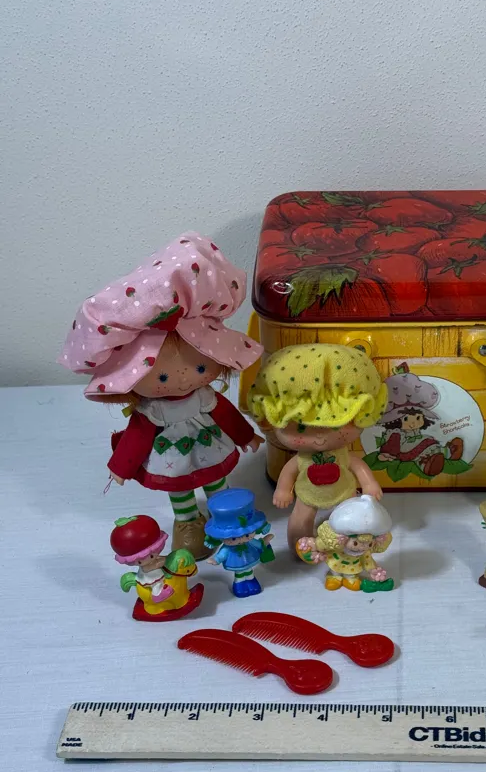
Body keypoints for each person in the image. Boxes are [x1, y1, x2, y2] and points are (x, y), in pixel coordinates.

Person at [60, 233, 265, 557]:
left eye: (201, 368)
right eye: (163, 377)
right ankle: (188, 523)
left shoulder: (204, 396)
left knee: (217, 482)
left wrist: (245, 435)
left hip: (209, 445)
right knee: (180, 490)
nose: (183, 380)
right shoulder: (152, 410)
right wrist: (121, 466)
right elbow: (138, 435)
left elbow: (225, 413)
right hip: (172, 457)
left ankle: (224, 513)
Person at [248, 343, 388, 551]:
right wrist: (283, 489)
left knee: (354, 519)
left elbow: (356, 465)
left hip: (345, 492)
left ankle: (351, 546)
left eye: (336, 425)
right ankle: (301, 548)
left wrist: (369, 484)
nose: (319, 438)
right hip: (308, 495)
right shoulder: (301, 458)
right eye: (301, 428)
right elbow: (290, 470)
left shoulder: (341, 454)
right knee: (300, 520)